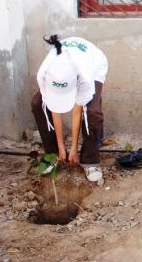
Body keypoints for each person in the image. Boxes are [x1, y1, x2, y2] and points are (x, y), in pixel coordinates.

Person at [31, 35, 108, 182]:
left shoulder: (84, 78)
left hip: (95, 64)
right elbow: (54, 109)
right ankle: (52, 154)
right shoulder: (44, 73)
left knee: (92, 112)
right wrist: (60, 146)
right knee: (37, 104)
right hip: (68, 69)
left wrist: (73, 147)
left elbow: (77, 111)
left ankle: (90, 160)